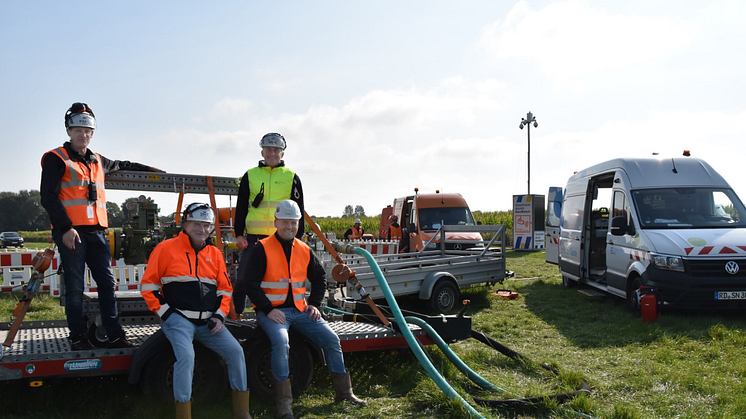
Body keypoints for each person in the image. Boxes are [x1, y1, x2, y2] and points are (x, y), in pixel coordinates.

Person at [40, 102, 163, 350]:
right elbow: (48, 197)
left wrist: (151, 171)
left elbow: (123, 164)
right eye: (77, 130)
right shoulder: (56, 159)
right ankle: (78, 338)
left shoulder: (97, 160)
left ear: (92, 133)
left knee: (108, 285)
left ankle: (115, 334)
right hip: (72, 233)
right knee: (75, 288)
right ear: (68, 131)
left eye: (87, 131)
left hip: (97, 232)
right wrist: (64, 228)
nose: (82, 135)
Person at [239, 200, 364, 419]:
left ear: (298, 225)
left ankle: (344, 393)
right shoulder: (262, 248)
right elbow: (250, 283)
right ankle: (284, 405)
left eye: (293, 223)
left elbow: (320, 278)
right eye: (285, 222)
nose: (289, 227)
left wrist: (314, 305)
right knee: (281, 341)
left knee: (332, 339)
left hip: (301, 311)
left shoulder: (304, 249)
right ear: (276, 222)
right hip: (273, 312)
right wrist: (268, 309)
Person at [140, 203, 251, 419]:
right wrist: (168, 315)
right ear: (185, 224)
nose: (202, 229)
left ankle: (242, 410)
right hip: (179, 321)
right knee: (187, 357)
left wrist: (220, 316)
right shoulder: (165, 249)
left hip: (210, 322)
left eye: (206, 225)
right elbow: (148, 287)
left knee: (236, 352)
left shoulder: (215, 254)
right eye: (197, 224)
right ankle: (184, 413)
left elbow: (225, 290)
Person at [233, 133, 304, 315]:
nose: (272, 153)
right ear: (262, 151)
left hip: (280, 239)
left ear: (282, 153)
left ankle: (284, 316)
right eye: (268, 150)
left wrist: (298, 239)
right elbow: (241, 206)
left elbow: (299, 211)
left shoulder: (292, 177)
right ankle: (236, 317)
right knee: (242, 281)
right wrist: (239, 234)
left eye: (276, 150)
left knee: (280, 282)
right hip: (254, 239)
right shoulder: (250, 176)